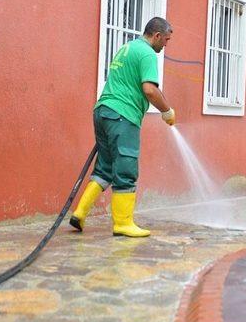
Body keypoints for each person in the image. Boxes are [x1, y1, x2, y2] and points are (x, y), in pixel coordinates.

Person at [69, 17, 176, 238]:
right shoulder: (146, 53)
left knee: (104, 168)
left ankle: (79, 213)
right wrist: (167, 111)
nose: (165, 45)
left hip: (103, 111)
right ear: (156, 36)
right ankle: (123, 223)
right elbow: (150, 90)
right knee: (126, 169)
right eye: (165, 40)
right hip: (123, 116)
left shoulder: (127, 47)